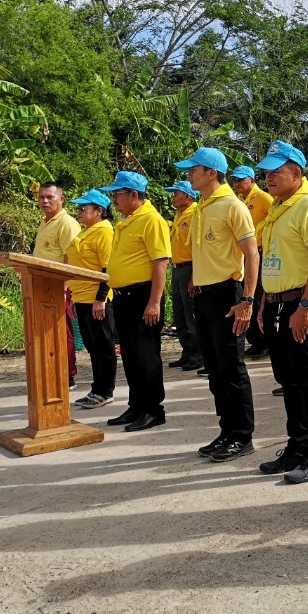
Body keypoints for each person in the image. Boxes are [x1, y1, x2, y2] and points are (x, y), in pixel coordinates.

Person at [255, 140, 308, 484]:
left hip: (301, 303)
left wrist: (305, 305)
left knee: (306, 378)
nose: (269, 178)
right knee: (287, 380)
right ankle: (296, 447)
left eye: (276, 172)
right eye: (266, 173)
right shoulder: (279, 207)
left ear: (297, 173)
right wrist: (265, 299)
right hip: (277, 303)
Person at [176, 146, 261, 463]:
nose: (189, 175)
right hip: (204, 296)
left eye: (194, 169)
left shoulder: (232, 206)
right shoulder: (202, 206)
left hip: (228, 294)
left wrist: (247, 299)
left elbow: (251, 254)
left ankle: (242, 435)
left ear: (211, 173)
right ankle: (227, 431)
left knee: (231, 368)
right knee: (214, 369)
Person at [99, 171, 171, 432]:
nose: (113, 199)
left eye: (117, 194)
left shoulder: (151, 220)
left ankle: (153, 409)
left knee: (146, 355)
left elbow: (160, 262)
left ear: (133, 195)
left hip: (142, 296)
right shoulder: (127, 221)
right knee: (130, 355)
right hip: (123, 298)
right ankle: (137, 405)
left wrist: (154, 302)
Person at [67, 189, 117, 411]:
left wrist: (100, 299)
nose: (79, 211)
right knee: (92, 347)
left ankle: (105, 391)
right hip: (82, 297)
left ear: (99, 211)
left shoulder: (104, 232)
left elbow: (108, 268)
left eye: (83, 207)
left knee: (103, 347)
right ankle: (97, 389)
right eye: (78, 207)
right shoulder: (86, 232)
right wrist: (75, 298)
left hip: (97, 298)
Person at [32, 182, 80, 389]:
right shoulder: (45, 222)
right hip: (42, 287)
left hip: (60, 288)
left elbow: (72, 258)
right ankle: (51, 372)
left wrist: (64, 288)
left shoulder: (66, 223)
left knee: (62, 331)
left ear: (61, 199)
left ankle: (67, 375)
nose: (45, 201)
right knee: (47, 332)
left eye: (50, 197)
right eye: (42, 197)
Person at [231, 165, 273, 358]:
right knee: (248, 297)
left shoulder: (263, 198)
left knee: (258, 297)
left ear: (252, 180)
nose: (237, 183)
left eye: (241, 179)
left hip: (260, 253)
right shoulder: (239, 200)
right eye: (235, 180)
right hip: (245, 255)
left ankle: (265, 342)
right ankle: (256, 341)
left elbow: (275, 219)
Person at [164, 181, 203, 372]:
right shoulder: (180, 215)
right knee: (179, 313)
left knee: (190, 314)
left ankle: (198, 355)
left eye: (176, 194)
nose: (173, 197)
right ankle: (187, 352)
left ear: (188, 196)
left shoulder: (195, 213)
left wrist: (194, 276)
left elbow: (198, 246)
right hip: (178, 268)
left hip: (189, 267)